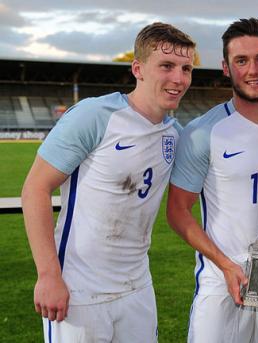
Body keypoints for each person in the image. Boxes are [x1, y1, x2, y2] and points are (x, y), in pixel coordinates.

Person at [21, 22, 195, 342]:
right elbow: (35, 188)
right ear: (138, 69)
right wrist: (47, 275)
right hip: (78, 289)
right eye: (167, 66)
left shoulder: (175, 135)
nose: (179, 79)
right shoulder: (95, 115)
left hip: (137, 289)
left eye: (186, 68)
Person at [166, 18, 258, 342]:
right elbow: (177, 212)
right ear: (226, 68)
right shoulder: (203, 132)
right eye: (241, 60)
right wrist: (226, 265)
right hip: (221, 280)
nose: (252, 70)